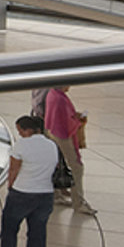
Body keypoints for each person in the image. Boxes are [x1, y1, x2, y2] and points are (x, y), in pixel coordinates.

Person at [0, 115, 59, 247]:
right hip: (45, 194)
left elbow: (13, 170)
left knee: (9, 229)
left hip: (22, 192)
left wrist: (10, 186)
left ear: (27, 130)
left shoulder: (22, 145)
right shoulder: (52, 145)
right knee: (38, 234)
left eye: (20, 130)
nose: (20, 134)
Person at [40, 85, 96, 215]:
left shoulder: (52, 94)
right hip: (62, 134)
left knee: (56, 164)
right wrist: (78, 122)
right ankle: (79, 202)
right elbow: (66, 122)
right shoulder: (60, 99)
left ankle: (56, 194)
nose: (69, 87)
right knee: (77, 167)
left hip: (51, 130)